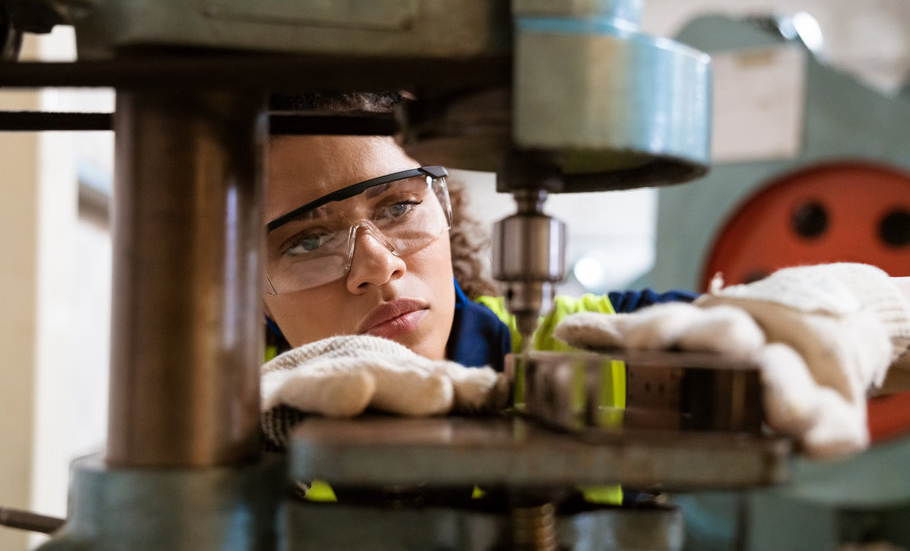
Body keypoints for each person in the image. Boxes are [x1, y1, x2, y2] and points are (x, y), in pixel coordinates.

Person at [260, 92, 910, 477]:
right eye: (306, 240)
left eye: (398, 207)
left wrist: (853, 313)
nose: (376, 265)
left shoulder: (589, 347)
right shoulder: (209, 419)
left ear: (444, 202)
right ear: (239, 281)